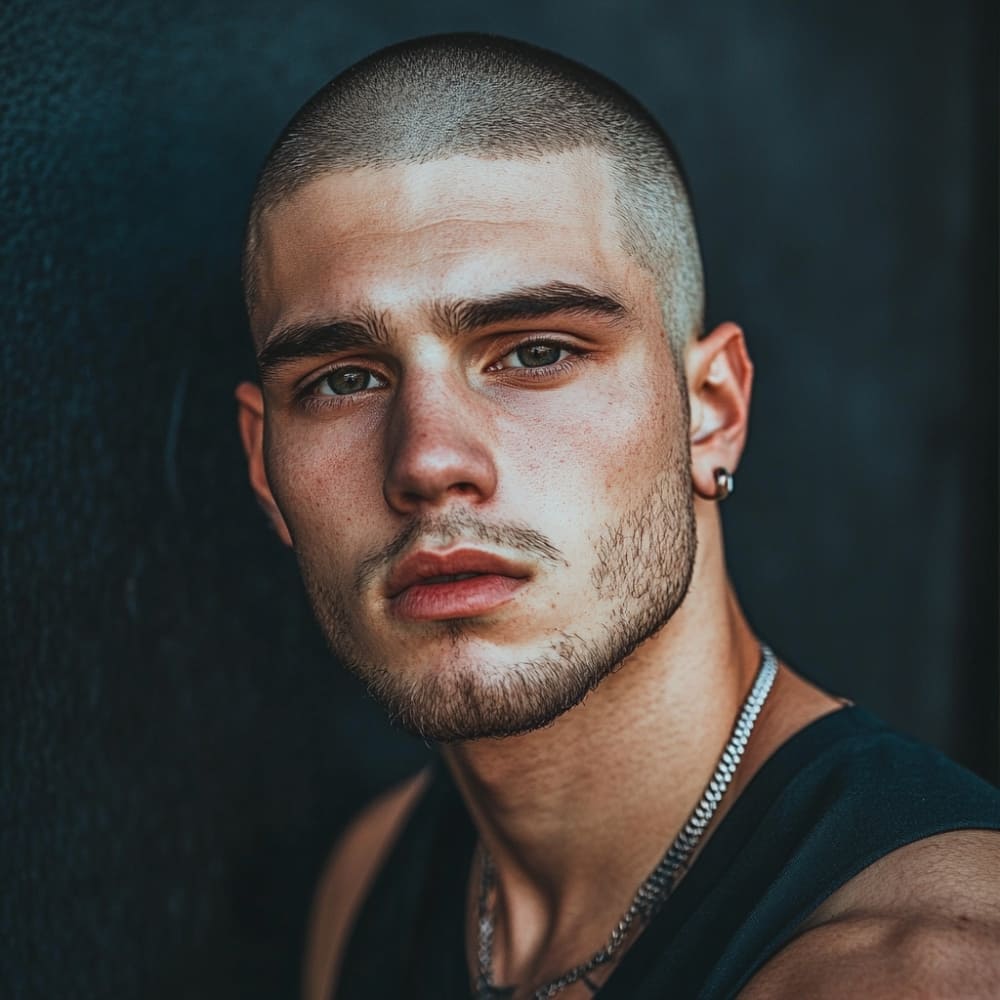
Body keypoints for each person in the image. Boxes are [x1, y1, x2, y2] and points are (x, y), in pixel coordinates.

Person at [234, 33, 1000, 1000]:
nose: (429, 460)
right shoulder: (370, 880)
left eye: (536, 352)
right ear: (265, 466)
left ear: (712, 413)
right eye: (345, 379)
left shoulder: (923, 966)